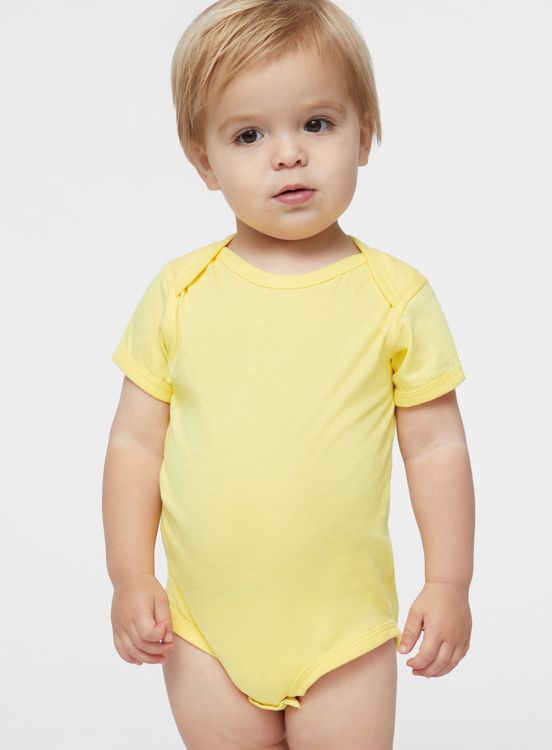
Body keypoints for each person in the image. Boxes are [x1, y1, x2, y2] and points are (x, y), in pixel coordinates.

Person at [102, 1, 475, 748]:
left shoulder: (394, 297)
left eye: (317, 123)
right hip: (206, 631)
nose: (288, 155)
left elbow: (437, 448)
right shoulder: (180, 293)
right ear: (203, 160)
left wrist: (449, 583)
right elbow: (135, 445)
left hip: (345, 634)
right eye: (249, 135)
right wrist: (130, 577)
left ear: (364, 133)